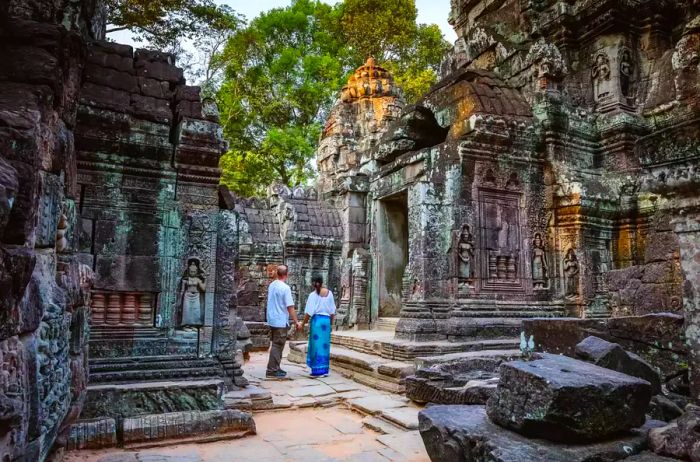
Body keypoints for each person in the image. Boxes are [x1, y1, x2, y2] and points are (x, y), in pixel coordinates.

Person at [266, 265, 301, 379]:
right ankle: (272, 370)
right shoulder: (285, 288)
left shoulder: (272, 285)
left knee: (277, 344)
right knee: (278, 344)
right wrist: (296, 321)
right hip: (280, 320)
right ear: (287, 274)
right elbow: (290, 307)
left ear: (277, 273)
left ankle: (276, 367)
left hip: (272, 319)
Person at [300, 274, 336, 377]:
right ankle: (324, 369)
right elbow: (332, 311)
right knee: (324, 346)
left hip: (317, 322)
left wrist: (302, 324)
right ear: (322, 282)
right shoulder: (330, 293)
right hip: (326, 321)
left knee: (316, 346)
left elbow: (309, 313)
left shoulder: (312, 295)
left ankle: (316, 370)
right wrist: (331, 324)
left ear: (313, 283)